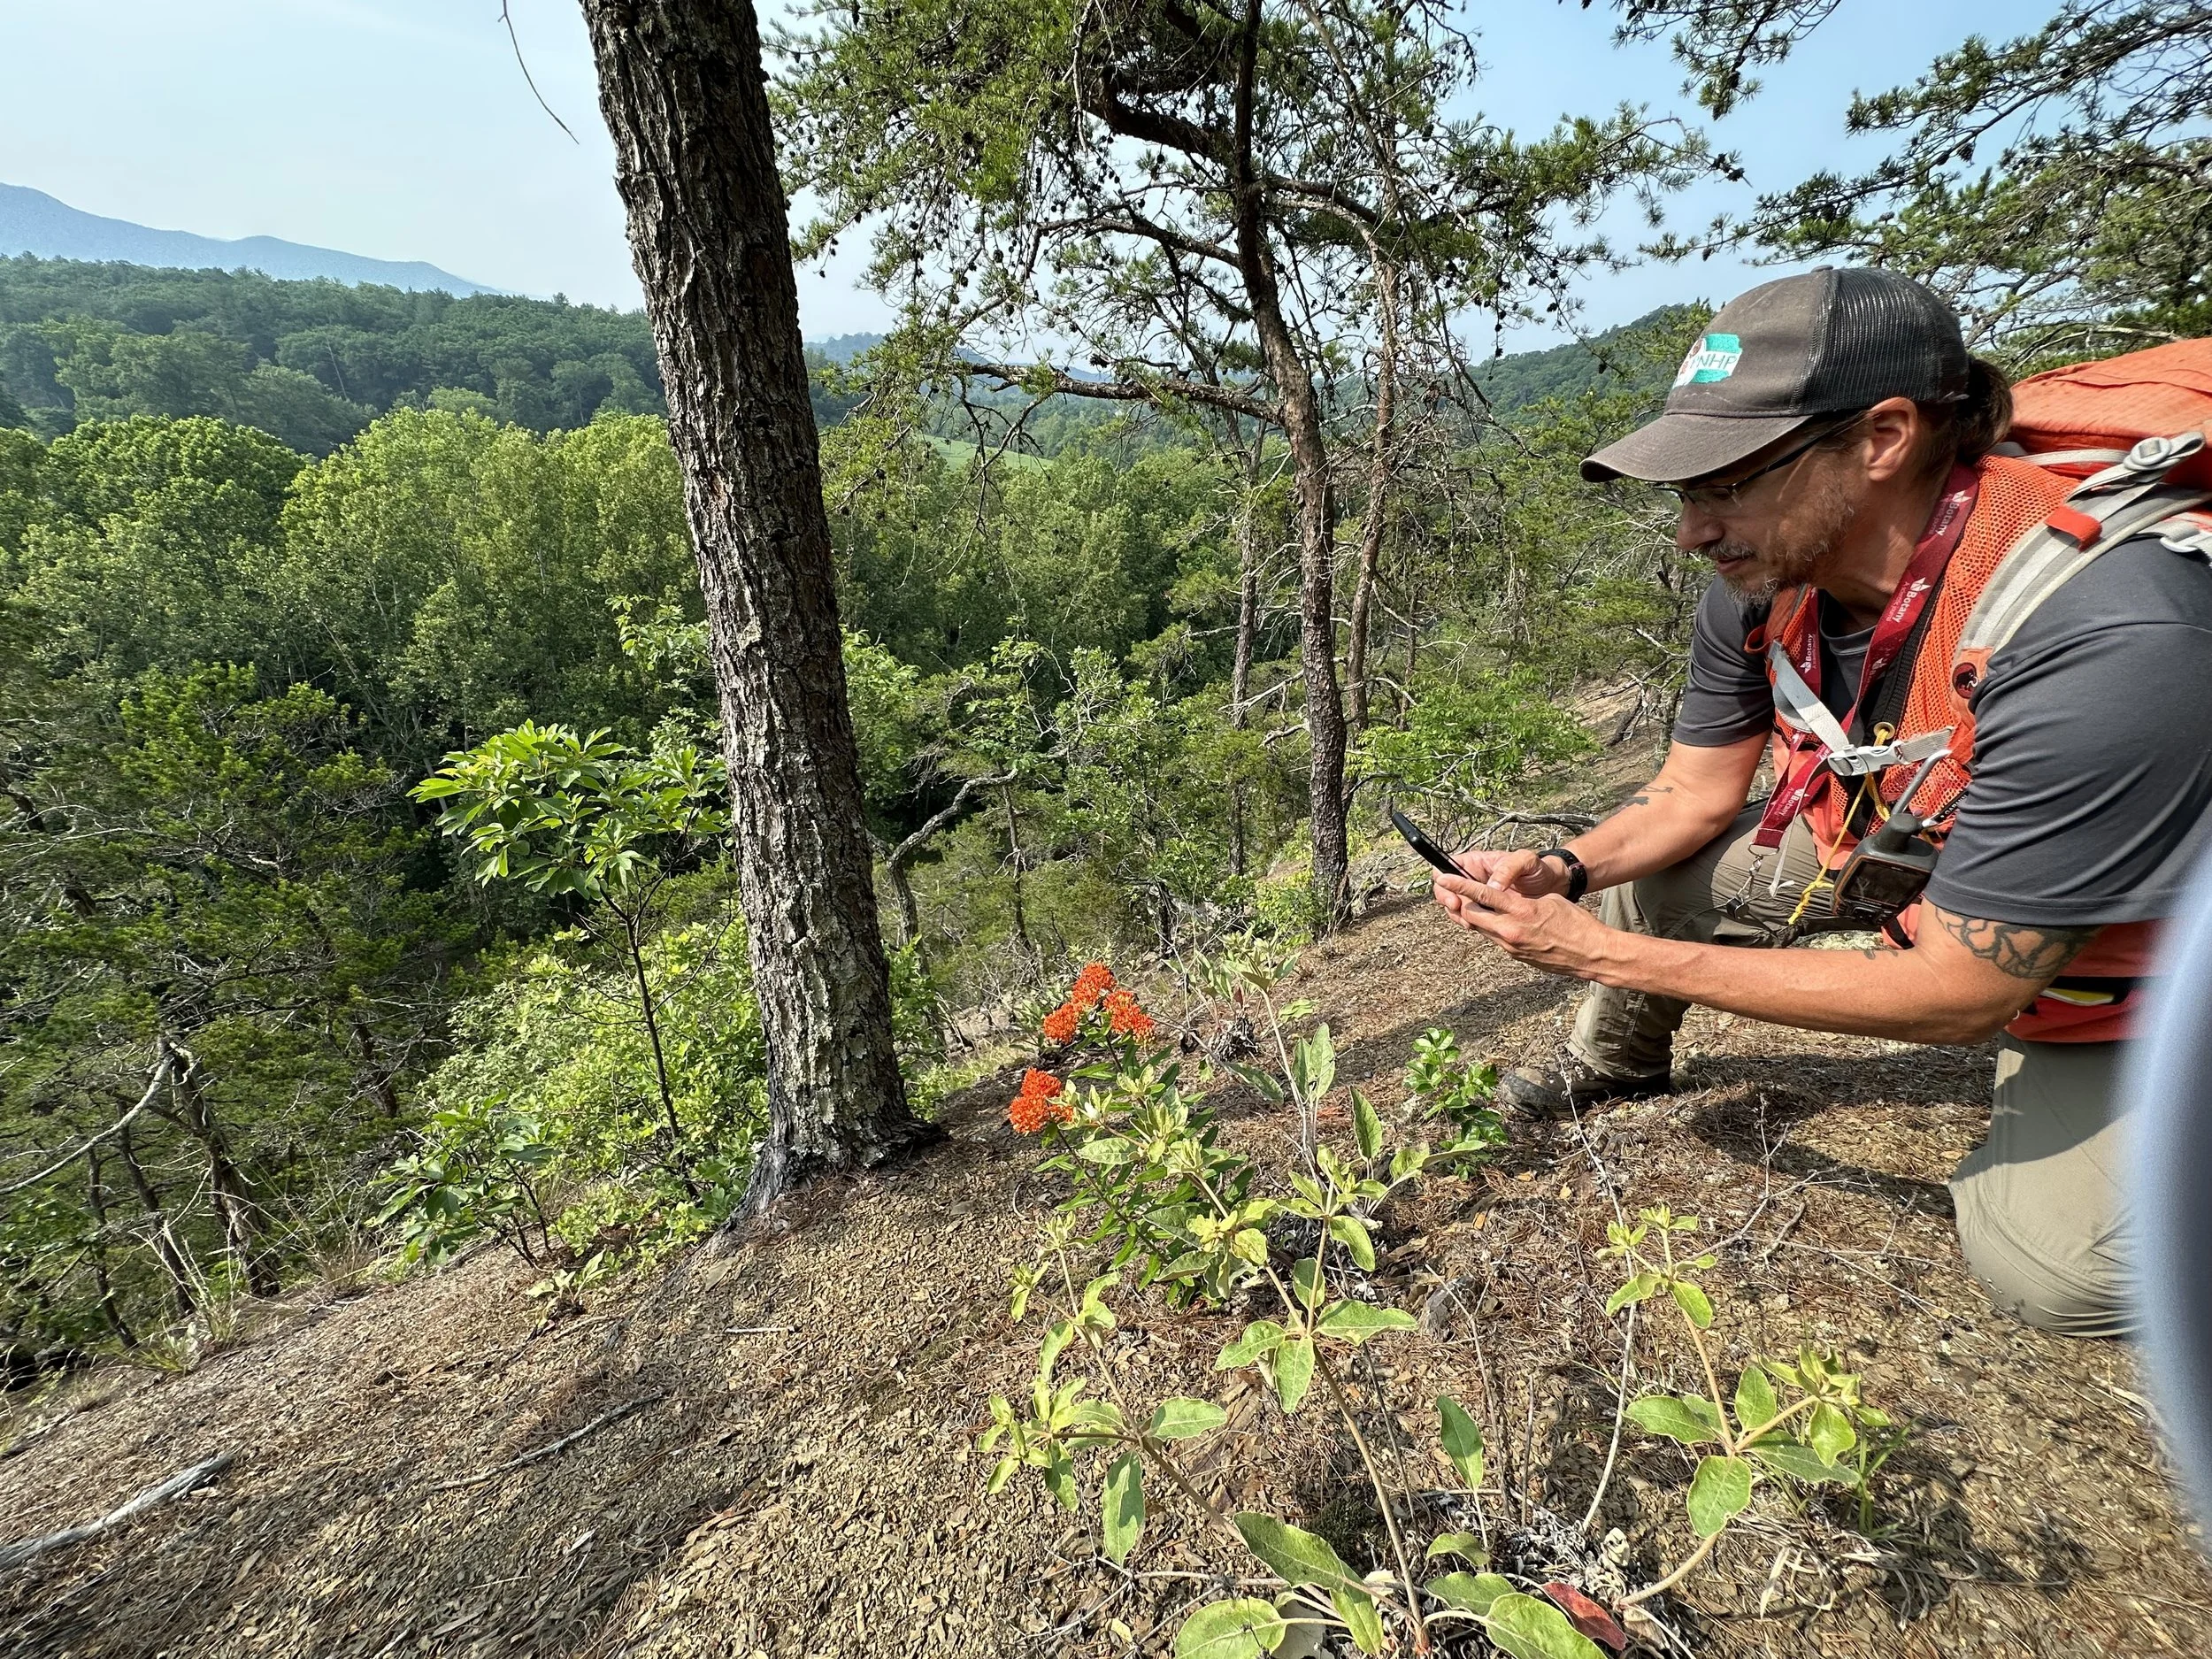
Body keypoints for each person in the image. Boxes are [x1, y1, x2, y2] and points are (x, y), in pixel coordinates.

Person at [1430, 267, 2212, 1339]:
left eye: (1725, 484)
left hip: (2135, 965)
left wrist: (1594, 951)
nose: (1692, 533)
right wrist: (1563, 871)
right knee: (1653, 879)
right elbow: (1691, 794)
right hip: (1927, 844)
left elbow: (1958, 992)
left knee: (2052, 1267)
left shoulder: (2105, 635)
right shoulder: (1769, 588)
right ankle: (1611, 1065)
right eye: (1684, 494)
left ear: (1882, 436)